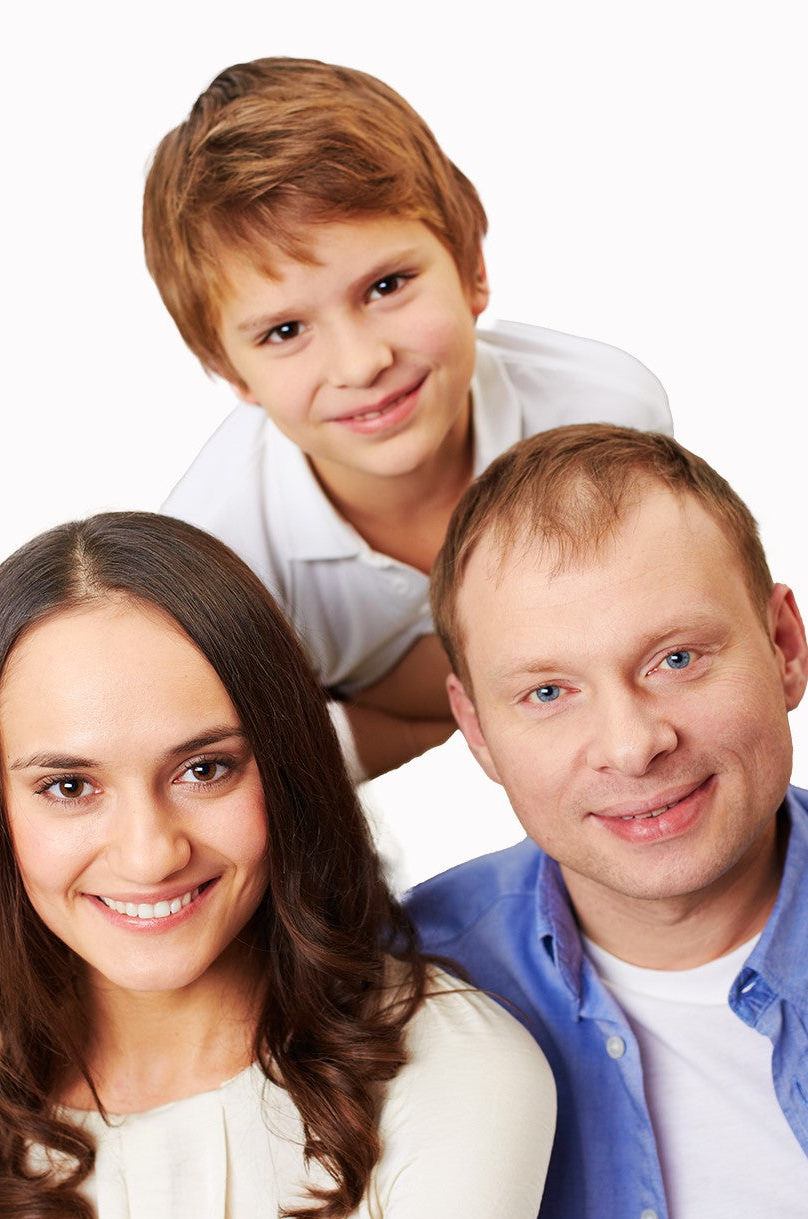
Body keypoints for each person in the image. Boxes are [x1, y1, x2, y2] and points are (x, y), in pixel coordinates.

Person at [0, 511, 555, 1219]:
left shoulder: (455, 1072)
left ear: (286, 763)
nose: (148, 854)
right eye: (70, 786)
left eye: (206, 768)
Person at [407, 423, 808, 1219]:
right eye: (547, 692)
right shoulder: (405, 992)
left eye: (677, 658)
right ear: (475, 732)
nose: (633, 743)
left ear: (782, 648)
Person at [142, 57, 672, 781]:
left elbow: (653, 634)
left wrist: (412, 701)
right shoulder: (216, 557)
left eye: (387, 286)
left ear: (471, 268)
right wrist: (438, 723)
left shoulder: (602, 413)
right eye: (285, 332)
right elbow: (245, 767)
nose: (361, 364)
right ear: (233, 372)